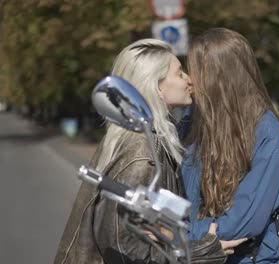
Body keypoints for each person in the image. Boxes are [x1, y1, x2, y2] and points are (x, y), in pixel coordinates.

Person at [54, 39, 245, 264]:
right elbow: (122, 245)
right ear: (157, 87)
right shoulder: (141, 153)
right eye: (179, 72)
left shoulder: (151, 139)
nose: (189, 79)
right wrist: (203, 250)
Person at [181, 28, 279, 263]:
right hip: (197, 254)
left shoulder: (265, 130)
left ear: (217, 76)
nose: (188, 78)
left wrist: (183, 235)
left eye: (194, 70)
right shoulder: (194, 120)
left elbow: (244, 220)